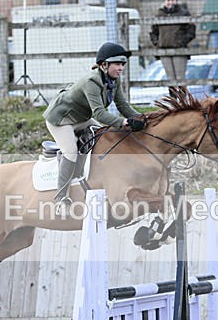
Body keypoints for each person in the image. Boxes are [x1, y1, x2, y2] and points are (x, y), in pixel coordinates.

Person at [43, 42, 146, 211]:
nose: (121, 68)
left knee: (105, 136)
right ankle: (61, 198)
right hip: (61, 120)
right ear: (104, 65)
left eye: (122, 64)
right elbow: (99, 114)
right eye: (117, 64)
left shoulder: (114, 80)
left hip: (81, 118)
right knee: (71, 152)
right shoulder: (91, 82)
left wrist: (142, 118)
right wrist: (124, 122)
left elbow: (123, 105)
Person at [149, 0, 196, 84]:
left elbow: (191, 31)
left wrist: (181, 42)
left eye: (172, 0)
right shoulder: (159, 15)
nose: (170, 2)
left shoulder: (183, 13)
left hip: (179, 50)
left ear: (176, 1)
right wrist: (158, 43)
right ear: (164, 2)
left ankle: (182, 94)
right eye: (168, 0)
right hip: (164, 50)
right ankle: (172, 94)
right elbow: (154, 32)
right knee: (170, 78)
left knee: (180, 77)